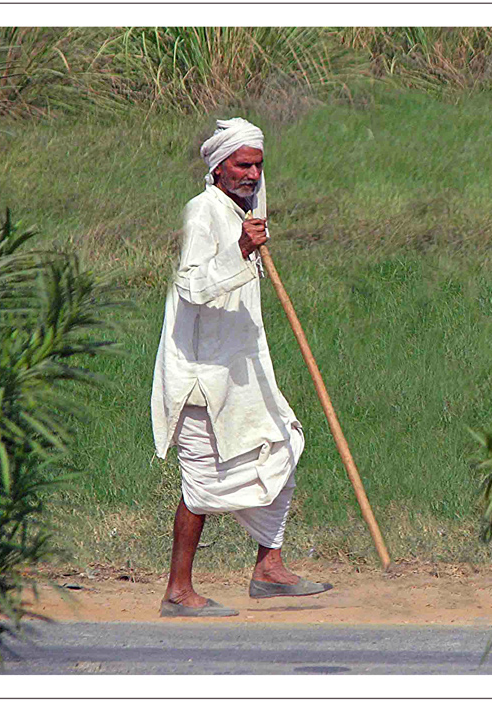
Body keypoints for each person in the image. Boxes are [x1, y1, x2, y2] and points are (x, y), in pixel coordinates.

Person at [150, 117, 331, 617]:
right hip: (199, 376)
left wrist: (249, 237)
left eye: (257, 165)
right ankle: (177, 590)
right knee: (203, 485)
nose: (251, 174)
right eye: (241, 164)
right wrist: (242, 250)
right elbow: (192, 286)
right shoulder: (203, 213)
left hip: (242, 371)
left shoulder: (246, 209)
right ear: (218, 168)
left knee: (283, 443)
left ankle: (269, 567)